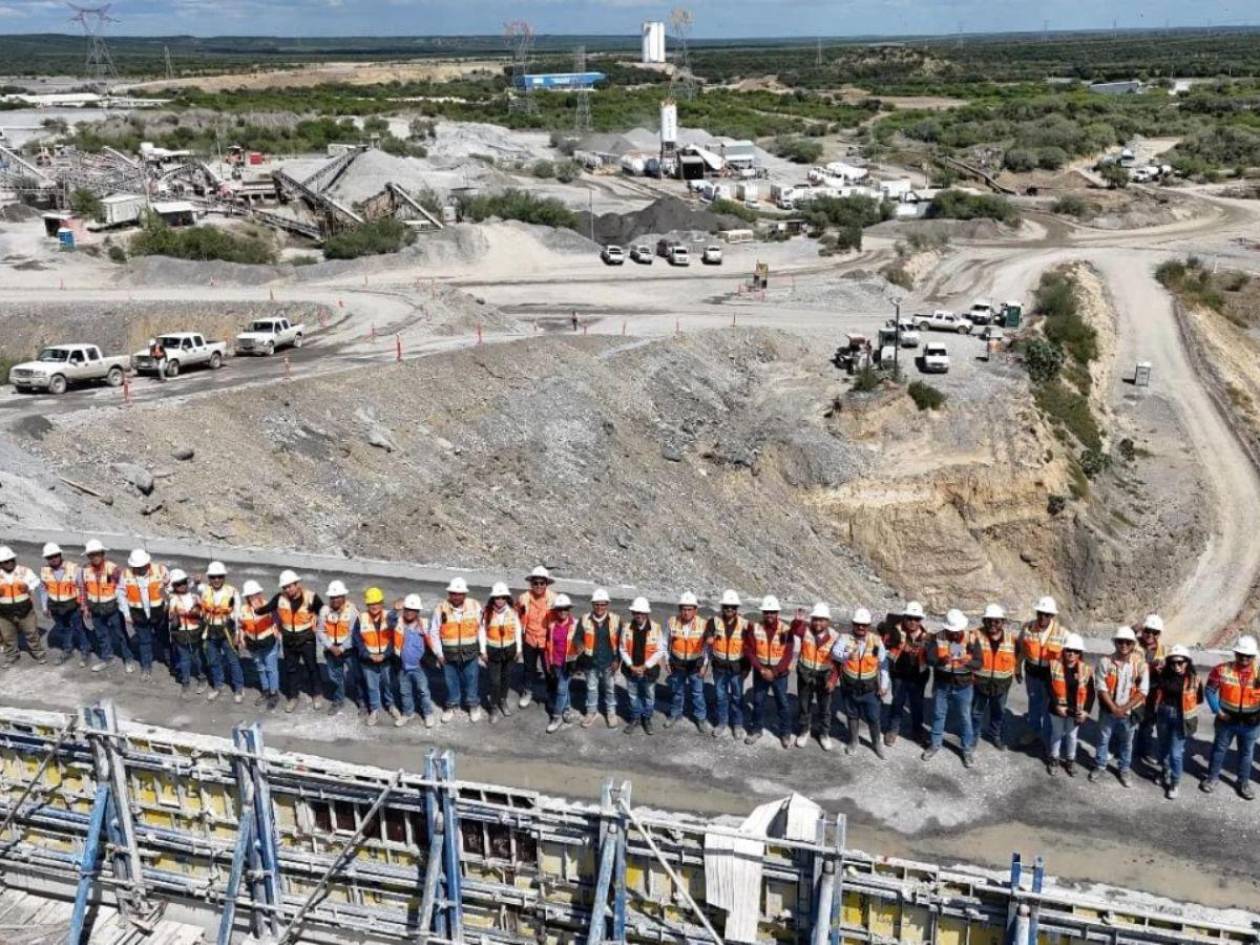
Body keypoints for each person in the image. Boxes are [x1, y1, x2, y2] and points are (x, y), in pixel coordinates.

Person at [1201, 635, 1260, 800]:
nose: (1244, 658)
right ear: (1235, 653)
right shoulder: (1221, 669)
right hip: (1226, 720)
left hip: (1251, 723)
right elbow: (1210, 691)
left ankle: (1243, 783)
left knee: (1247, 753)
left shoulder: (1259, 672)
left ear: (1254, 656)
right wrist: (1217, 711)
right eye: (1241, 654)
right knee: (1219, 750)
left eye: (1248, 655)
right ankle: (1212, 778)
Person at [258, 569, 325, 713]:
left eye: (290, 586)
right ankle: (293, 696)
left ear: (297, 584)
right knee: (291, 669)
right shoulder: (279, 598)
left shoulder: (311, 597)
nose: (287, 589)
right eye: (285, 587)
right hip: (289, 640)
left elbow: (324, 613)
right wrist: (253, 608)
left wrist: (320, 631)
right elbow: (266, 608)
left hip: (307, 639)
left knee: (312, 667)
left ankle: (317, 694)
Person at [1091, 626, 1150, 787]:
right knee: (1103, 739)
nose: (1123, 645)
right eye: (1120, 641)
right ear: (1115, 643)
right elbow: (1101, 687)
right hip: (1108, 710)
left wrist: (1123, 709)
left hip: (1129, 712)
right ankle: (1100, 765)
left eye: (1127, 642)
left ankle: (1124, 769)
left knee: (1126, 742)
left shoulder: (1141, 665)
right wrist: (1113, 708)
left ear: (1132, 645)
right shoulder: (1105, 662)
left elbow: (1143, 691)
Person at [923, 609, 980, 766]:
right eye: (950, 632)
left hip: (964, 685)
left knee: (964, 717)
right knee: (938, 714)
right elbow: (929, 658)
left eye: (956, 632)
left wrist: (967, 662)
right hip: (942, 683)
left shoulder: (972, 639)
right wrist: (941, 660)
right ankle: (935, 744)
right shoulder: (937, 637)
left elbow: (979, 663)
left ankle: (967, 749)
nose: (953, 635)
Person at [834, 607, 888, 756]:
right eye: (858, 624)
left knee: (873, 717)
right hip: (850, 687)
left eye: (864, 625)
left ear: (868, 625)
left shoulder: (876, 641)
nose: (860, 627)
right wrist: (847, 655)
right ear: (853, 623)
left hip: (870, 688)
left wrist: (884, 685)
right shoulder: (845, 638)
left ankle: (876, 743)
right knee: (852, 716)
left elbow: (883, 664)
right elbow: (835, 653)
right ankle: (853, 741)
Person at [1017, 596, 1068, 750]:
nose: (1042, 617)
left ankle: (1047, 736)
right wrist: (1017, 668)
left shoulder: (1062, 633)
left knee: (1049, 708)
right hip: (1032, 673)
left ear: (1052, 616)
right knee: (1034, 704)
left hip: (1050, 676)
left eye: (1047, 614)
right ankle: (1033, 731)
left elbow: (1071, 657)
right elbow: (1021, 650)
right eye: (1040, 613)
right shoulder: (1027, 628)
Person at [431, 577, 485, 722]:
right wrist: (439, 653)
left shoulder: (475, 606)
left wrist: (483, 650)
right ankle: (451, 705)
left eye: (459, 593)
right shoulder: (440, 608)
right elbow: (434, 632)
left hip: (471, 653)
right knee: (451, 682)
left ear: (464, 594)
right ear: (449, 593)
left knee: (471, 680)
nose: (456, 596)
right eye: (453, 593)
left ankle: (473, 705)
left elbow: (481, 629)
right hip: (448, 655)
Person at [1153, 644, 1203, 800]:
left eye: (1180, 662)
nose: (1177, 666)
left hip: (1182, 719)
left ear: (1187, 662)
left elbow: (1199, 699)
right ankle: (1164, 771)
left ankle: (1174, 782)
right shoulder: (1163, 675)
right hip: (1163, 715)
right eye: (1173, 662)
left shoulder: (1195, 679)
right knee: (1162, 748)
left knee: (1175, 753)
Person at [745, 595, 796, 748]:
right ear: (763, 613)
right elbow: (749, 651)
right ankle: (756, 730)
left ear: (777, 613)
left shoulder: (786, 630)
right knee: (758, 701)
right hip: (761, 673)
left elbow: (788, 654)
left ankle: (785, 732)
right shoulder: (755, 628)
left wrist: (774, 671)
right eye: (766, 612)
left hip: (779, 675)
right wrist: (761, 669)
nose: (769, 615)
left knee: (783, 703)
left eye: (772, 612)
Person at [883, 601, 931, 746]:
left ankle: (917, 731)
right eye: (909, 618)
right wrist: (903, 646)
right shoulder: (895, 630)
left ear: (920, 620)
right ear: (904, 617)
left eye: (916, 619)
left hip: (918, 676)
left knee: (917, 705)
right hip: (899, 675)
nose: (912, 622)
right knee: (897, 702)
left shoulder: (927, 634)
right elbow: (886, 641)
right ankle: (893, 730)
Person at [1047, 633, 1095, 777]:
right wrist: (1057, 705)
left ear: (1080, 652)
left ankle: (1070, 760)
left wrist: (1086, 711)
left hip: (1077, 711)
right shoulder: (1053, 665)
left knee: (1072, 736)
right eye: (1069, 650)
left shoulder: (1085, 669)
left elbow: (1091, 692)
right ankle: (1054, 759)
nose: (1071, 654)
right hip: (1057, 709)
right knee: (1056, 734)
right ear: (1064, 650)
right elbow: (1049, 689)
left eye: (1075, 651)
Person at [971, 604, 1017, 751]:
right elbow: (957, 645)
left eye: (996, 621)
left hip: (1002, 685)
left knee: (998, 712)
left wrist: (1018, 671)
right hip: (979, 683)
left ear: (1003, 622)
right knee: (976, 712)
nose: (992, 624)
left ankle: (995, 735)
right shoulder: (974, 635)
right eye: (989, 621)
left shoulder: (1012, 640)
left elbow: (1022, 655)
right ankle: (973, 735)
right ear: (984, 621)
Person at [706, 590, 749, 739]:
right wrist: (709, 637)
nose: (729, 609)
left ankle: (737, 724)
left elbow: (749, 648)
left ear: (737, 608)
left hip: (737, 669)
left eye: (732, 606)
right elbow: (708, 634)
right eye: (726, 606)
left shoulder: (745, 624)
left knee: (737, 697)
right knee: (720, 696)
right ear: (722, 607)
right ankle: (722, 723)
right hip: (719, 668)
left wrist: (746, 669)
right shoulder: (714, 621)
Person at [119, 549, 169, 677]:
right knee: (144, 641)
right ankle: (146, 667)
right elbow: (121, 594)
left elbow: (169, 589)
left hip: (159, 613)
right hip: (138, 614)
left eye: (142, 566)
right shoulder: (126, 575)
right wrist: (126, 614)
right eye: (136, 567)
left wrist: (168, 605)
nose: (140, 569)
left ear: (147, 563)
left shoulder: (161, 570)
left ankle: (171, 663)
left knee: (164, 639)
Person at [795, 603, 838, 751]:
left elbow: (838, 663)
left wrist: (833, 680)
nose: (818, 623)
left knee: (825, 707)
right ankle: (804, 731)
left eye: (822, 620)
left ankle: (824, 734)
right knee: (804, 705)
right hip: (805, 674)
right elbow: (795, 629)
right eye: (815, 619)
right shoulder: (805, 630)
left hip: (824, 676)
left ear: (828, 621)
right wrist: (797, 621)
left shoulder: (835, 636)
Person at [665, 592, 709, 733]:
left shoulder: (703, 624)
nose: (686, 612)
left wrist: (705, 665)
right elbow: (664, 642)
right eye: (684, 609)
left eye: (690, 609)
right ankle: (674, 714)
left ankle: (700, 718)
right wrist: (666, 660)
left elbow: (707, 648)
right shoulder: (672, 622)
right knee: (677, 692)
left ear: (695, 610)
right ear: (680, 609)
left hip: (695, 666)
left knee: (697, 693)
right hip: (677, 665)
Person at [356, 586, 400, 726]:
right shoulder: (361, 618)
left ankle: (391, 705)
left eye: (377, 603)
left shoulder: (389, 616)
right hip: (368, 661)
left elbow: (395, 638)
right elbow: (357, 641)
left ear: (382, 603)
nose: (374, 606)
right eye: (371, 604)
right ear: (367, 604)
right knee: (372, 686)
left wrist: (385, 655)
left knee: (388, 684)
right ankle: (375, 709)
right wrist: (369, 655)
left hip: (386, 660)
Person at [619, 597, 664, 734]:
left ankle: (647, 718)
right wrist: (630, 665)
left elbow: (660, 650)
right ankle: (635, 718)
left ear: (646, 614)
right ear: (632, 613)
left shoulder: (656, 628)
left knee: (649, 696)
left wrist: (645, 666)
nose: (638, 615)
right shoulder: (626, 628)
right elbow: (622, 648)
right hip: (631, 669)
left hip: (649, 671)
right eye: (636, 612)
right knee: (633, 695)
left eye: (641, 613)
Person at [200, 561, 243, 704]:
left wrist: (237, 634)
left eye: (219, 576)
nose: (216, 580)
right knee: (213, 661)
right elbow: (182, 591)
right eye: (213, 577)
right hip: (210, 630)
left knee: (233, 661)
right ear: (209, 578)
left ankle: (238, 688)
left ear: (224, 577)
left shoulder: (232, 592)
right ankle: (218, 686)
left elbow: (238, 615)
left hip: (227, 632)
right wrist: (194, 581)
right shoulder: (204, 590)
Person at [40, 543, 87, 667]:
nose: (53, 559)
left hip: (72, 605)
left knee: (79, 628)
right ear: (46, 558)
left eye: (55, 555)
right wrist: (45, 607)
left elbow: (82, 588)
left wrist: (83, 605)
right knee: (64, 629)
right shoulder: (45, 571)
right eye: (50, 557)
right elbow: (44, 590)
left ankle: (85, 650)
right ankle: (68, 649)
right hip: (55, 606)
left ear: (60, 555)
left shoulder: (74, 568)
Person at [80, 539, 123, 673]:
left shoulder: (113, 568)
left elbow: (121, 588)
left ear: (103, 553)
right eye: (91, 555)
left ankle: (127, 658)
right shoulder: (85, 570)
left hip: (112, 608)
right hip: (95, 609)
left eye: (97, 554)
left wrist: (123, 608)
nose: (95, 557)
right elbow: (83, 590)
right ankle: (107, 658)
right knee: (102, 635)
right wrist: (85, 607)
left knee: (120, 634)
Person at [579, 589, 620, 728]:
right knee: (591, 688)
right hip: (591, 662)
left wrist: (617, 660)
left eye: (603, 604)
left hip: (609, 661)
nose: (600, 607)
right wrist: (579, 648)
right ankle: (591, 712)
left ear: (607, 604)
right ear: (592, 604)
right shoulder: (584, 619)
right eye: (597, 604)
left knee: (610, 688)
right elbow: (577, 638)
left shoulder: (615, 620)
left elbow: (621, 643)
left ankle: (611, 712)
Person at [516, 566, 556, 709]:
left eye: (541, 583)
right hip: (529, 639)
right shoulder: (523, 598)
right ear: (531, 583)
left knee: (549, 670)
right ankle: (528, 692)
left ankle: (551, 695)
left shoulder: (554, 599)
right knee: (528, 668)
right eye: (535, 583)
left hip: (547, 641)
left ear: (546, 583)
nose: (538, 586)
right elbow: (517, 617)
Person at [237, 579, 280, 710]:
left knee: (271, 669)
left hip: (269, 643)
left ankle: (274, 693)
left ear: (260, 594)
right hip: (253, 645)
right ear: (247, 597)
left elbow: (277, 621)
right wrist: (241, 638)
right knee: (260, 668)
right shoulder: (243, 610)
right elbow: (241, 626)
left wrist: (278, 635)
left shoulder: (268, 607)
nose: (253, 598)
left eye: (256, 594)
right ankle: (266, 690)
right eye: (250, 596)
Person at [483, 583, 523, 722]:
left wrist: (518, 649)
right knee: (495, 681)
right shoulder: (487, 613)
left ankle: (503, 700)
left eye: (502, 597)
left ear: (506, 598)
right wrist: (483, 651)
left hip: (509, 650)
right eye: (497, 597)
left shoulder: (512, 612)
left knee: (506, 678)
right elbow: (481, 632)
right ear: (493, 598)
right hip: (493, 651)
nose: (499, 600)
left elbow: (518, 630)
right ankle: (493, 707)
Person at [317, 580, 358, 716]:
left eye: (337, 596)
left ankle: (362, 701)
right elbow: (321, 631)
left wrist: (342, 648)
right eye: (332, 597)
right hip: (330, 650)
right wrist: (330, 646)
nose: (334, 599)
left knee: (357, 675)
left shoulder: (352, 611)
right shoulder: (324, 611)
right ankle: (338, 700)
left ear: (343, 597)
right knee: (335, 677)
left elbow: (354, 633)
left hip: (348, 650)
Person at [0, 547, 47, 666]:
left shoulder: (25, 571)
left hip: (25, 610)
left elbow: (37, 582)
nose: (10, 563)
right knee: (7, 635)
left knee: (31, 632)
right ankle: (12, 655)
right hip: (4, 612)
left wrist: (28, 587)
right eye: (6, 561)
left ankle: (38, 653)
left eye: (12, 560)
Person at [395, 594, 435, 728]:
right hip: (403, 666)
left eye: (412, 610)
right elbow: (388, 619)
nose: (409, 612)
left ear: (418, 611)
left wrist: (430, 659)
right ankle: (408, 713)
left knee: (423, 690)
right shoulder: (398, 622)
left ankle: (428, 713)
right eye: (407, 609)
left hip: (419, 667)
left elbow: (433, 639)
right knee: (404, 691)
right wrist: (396, 608)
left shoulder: (424, 624)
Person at [166, 569, 206, 698]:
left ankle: (202, 678)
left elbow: (202, 612)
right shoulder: (172, 599)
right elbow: (170, 616)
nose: (181, 585)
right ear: (173, 586)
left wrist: (196, 612)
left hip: (195, 631)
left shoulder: (195, 596)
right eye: (178, 584)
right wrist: (174, 616)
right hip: (180, 633)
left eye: (183, 582)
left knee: (198, 658)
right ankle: (186, 682)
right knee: (184, 660)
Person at [544, 594, 580, 733]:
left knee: (560, 689)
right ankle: (566, 709)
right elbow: (549, 645)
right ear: (555, 610)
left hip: (569, 664)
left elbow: (580, 645)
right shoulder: (552, 626)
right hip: (556, 663)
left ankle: (556, 717)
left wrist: (577, 662)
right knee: (563, 689)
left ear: (569, 609)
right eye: (560, 609)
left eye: (565, 609)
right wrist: (549, 662)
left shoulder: (575, 625)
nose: (563, 612)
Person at [1136, 614, 1167, 763]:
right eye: (1147, 630)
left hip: (1153, 691)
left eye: (1154, 632)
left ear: (1158, 634)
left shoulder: (1164, 650)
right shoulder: (1132, 644)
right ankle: (1120, 748)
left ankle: (1143, 750)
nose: (1150, 635)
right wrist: (1135, 627)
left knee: (1148, 723)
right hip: (1133, 688)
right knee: (1127, 720)